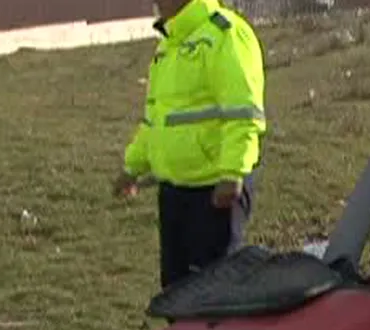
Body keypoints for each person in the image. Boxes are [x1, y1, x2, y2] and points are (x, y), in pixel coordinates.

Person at [113, 0, 267, 290]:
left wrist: (232, 174)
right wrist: (131, 168)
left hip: (214, 191)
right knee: (175, 288)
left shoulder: (225, 34)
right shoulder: (167, 48)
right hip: (174, 190)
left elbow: (243, 114)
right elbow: (155, 122)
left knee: (215, 292)